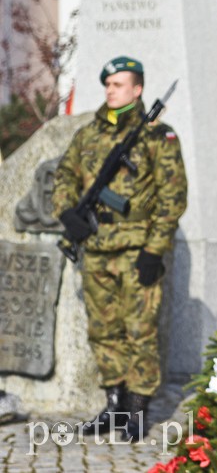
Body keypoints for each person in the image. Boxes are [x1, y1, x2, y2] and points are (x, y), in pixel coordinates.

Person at [52, 56, 188, 441]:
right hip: (95, 249)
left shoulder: (158, 137)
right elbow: (63, 174)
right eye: (108, 84)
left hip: (136, 249)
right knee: (103, 330)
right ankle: (114, 402)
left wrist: (153, 250)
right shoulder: (88, 135)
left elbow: (172, 197)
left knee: (140, 330)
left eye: (119, 84)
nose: (111, 90)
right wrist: (67, 213)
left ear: (138, 89)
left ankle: (138, 410)